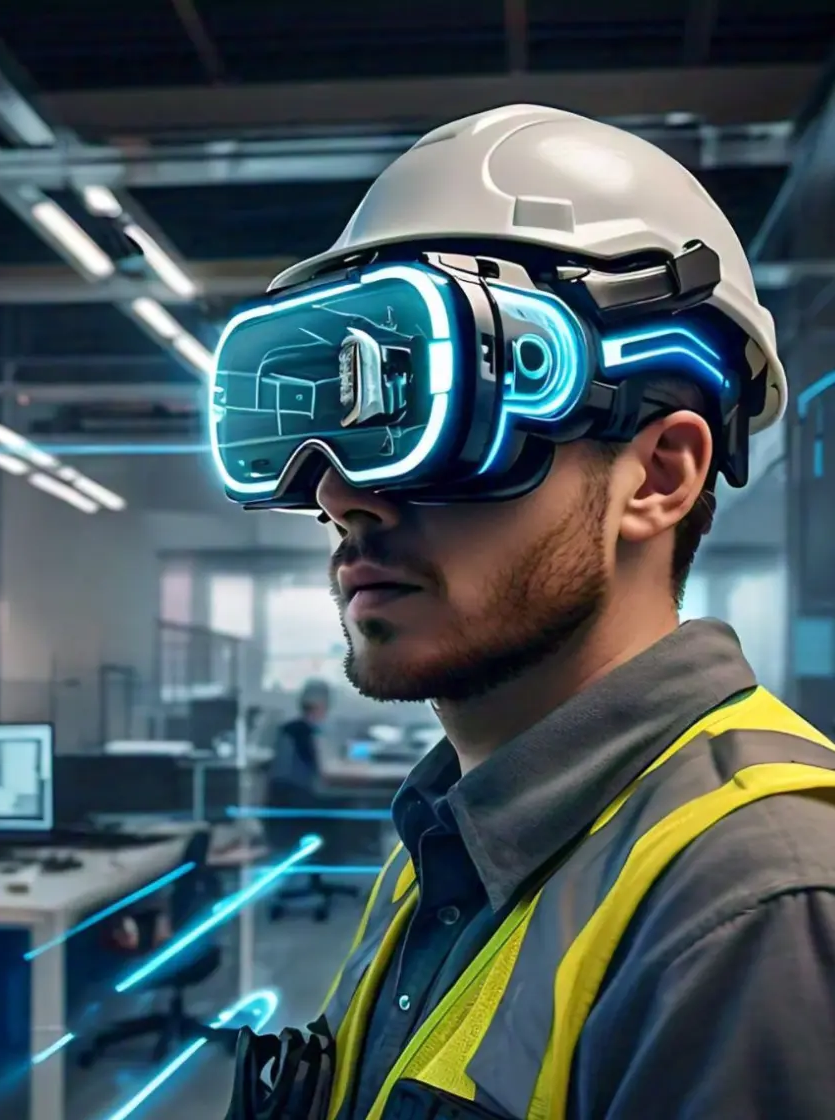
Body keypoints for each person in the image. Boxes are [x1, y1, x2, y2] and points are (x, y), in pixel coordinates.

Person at [213, 104, 835, 1119]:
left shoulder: (749, 904)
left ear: (659, 476)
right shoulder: (451, 841)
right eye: (335, 428)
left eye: (436, 416)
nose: (340, 494)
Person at [269, 679, 331, 809]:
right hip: (297, 797)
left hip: (279, 797)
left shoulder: (287, 729)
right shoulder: (307, 733)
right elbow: (323, 770)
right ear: (322, 707)